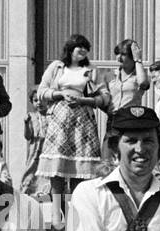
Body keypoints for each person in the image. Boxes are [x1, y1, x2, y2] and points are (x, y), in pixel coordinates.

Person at [37, 34, 110, 199]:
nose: (83, 50)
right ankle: (57, 210)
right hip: (59, 120)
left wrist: (85, 100)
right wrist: (60, 94)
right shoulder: (57, 67)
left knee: (80, 170)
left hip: (82, 122)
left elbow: (105, 96)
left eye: (86, 48)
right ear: (70, 48)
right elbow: (41, 91)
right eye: (80, 47)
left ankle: (77, 207)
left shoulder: (91, 70)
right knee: (57, 171)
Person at [106, 39, 150, 113]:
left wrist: (138, 60)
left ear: (132, 56)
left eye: (123, 54)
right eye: (117, 54)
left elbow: (143, 83)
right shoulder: (112, 74)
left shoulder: (140, 75)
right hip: (113, 117)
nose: (119, 57)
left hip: (130, 117)